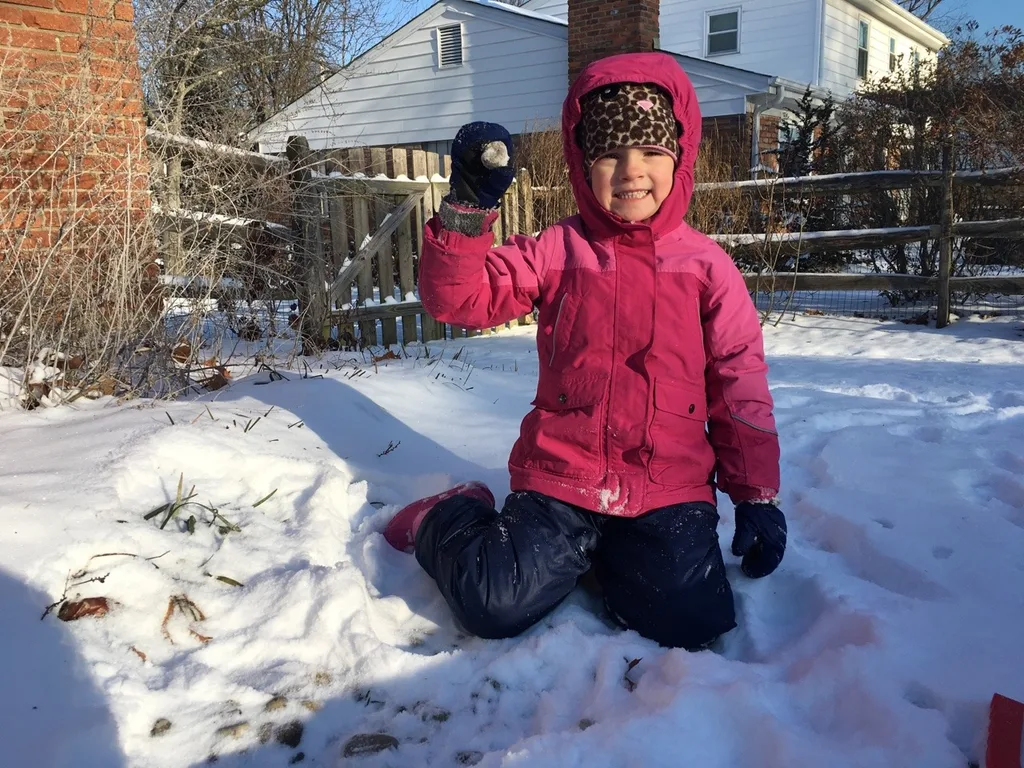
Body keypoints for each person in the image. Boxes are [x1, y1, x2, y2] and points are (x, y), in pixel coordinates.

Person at [382, 52, 785, 651]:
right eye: (610, 155)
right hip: (561, 479)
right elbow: (457, 299)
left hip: (665, 485)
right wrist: (468, 210)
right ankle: (449, 516)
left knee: (691, 621)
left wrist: (755, 496)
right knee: (494, 600)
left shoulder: (708, 267)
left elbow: (738, 383)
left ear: (680, 158)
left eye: (651, 153)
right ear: (582, 163)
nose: (632, 171)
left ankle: (615, 559)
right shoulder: (558, 250)